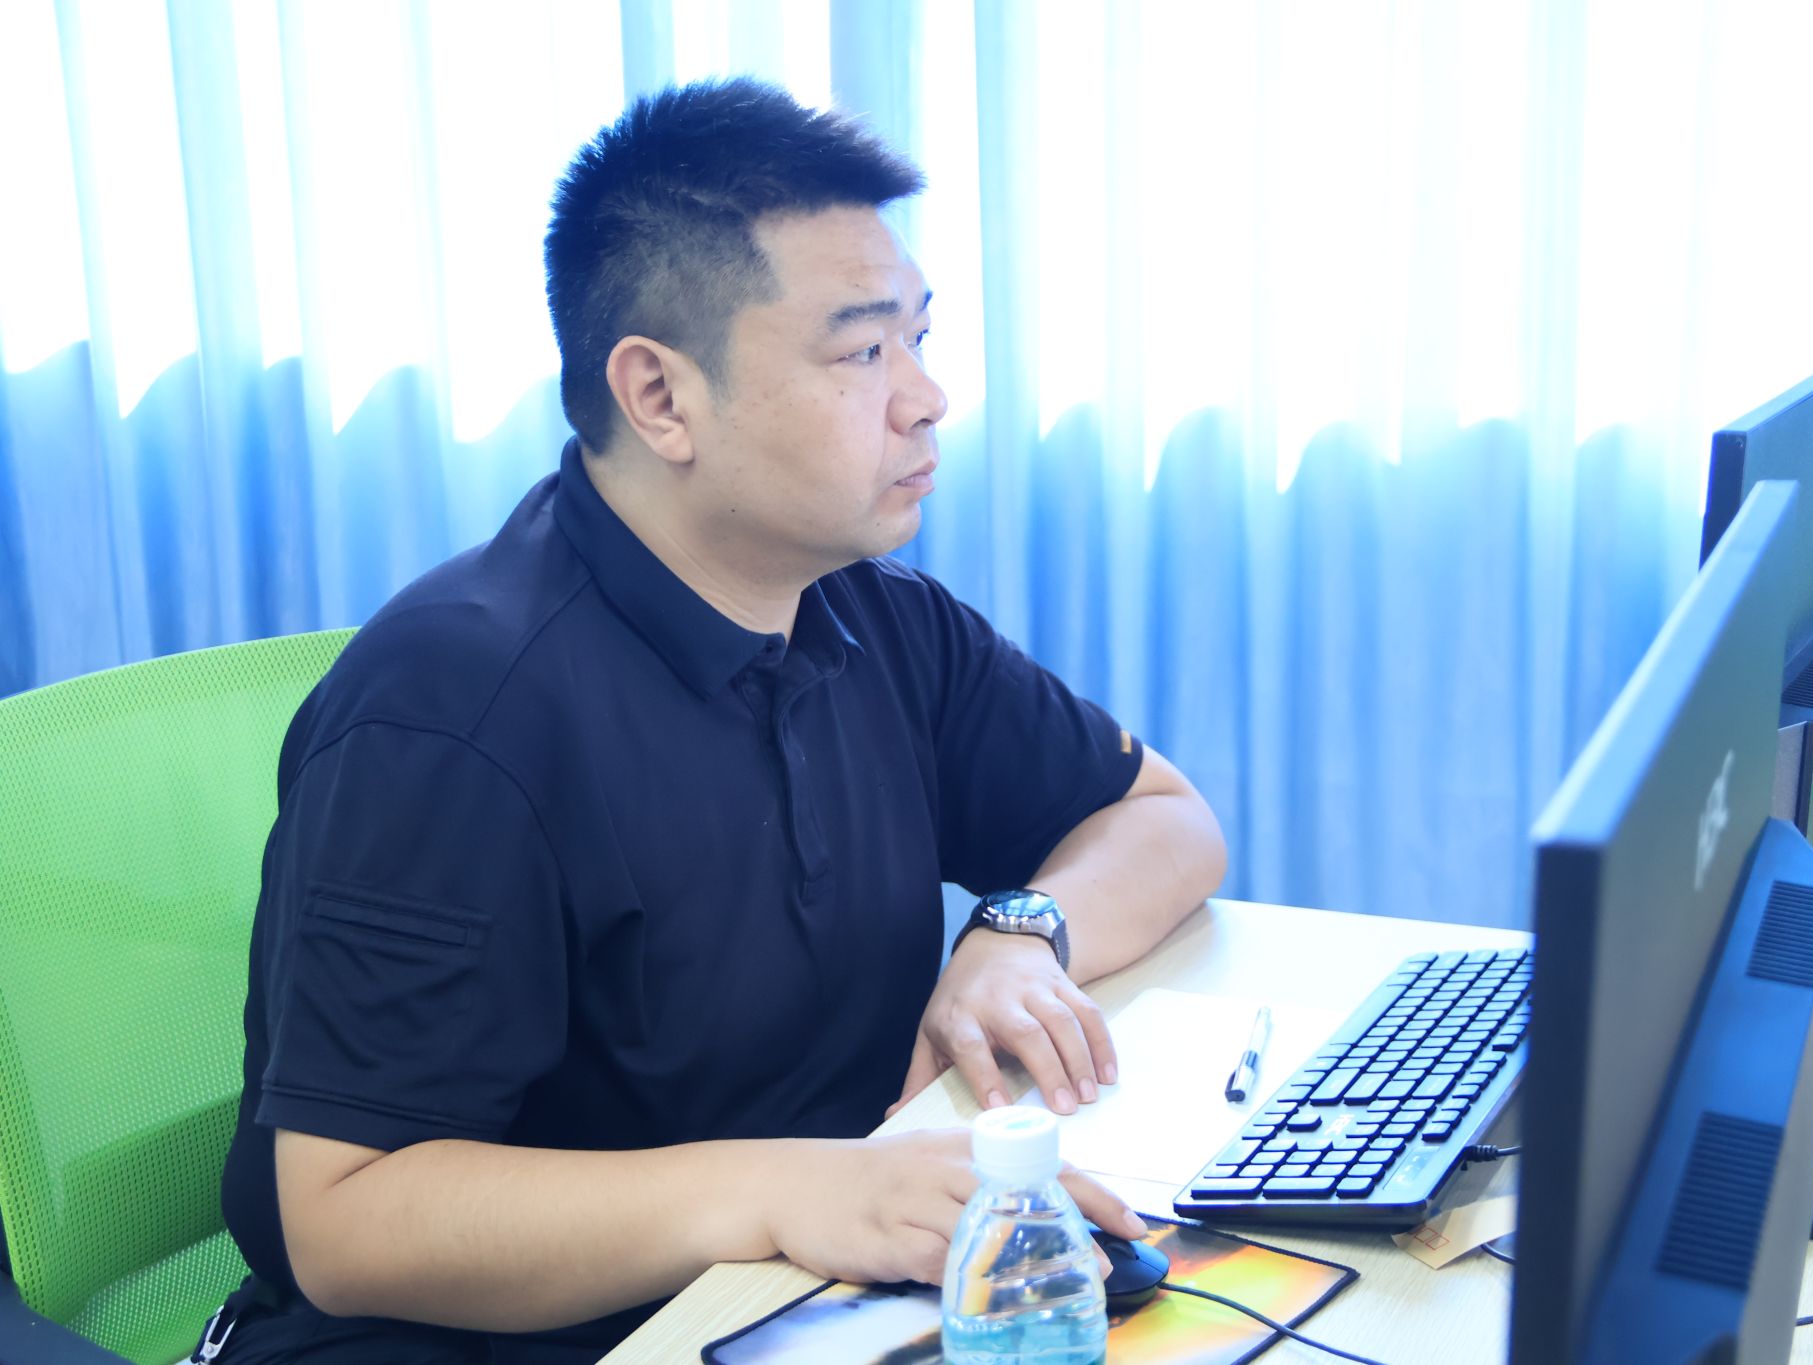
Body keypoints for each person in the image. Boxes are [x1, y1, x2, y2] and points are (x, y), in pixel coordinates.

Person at [208, 77, 1226, 1363]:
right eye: (861, 353)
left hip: (803, 1293)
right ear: (659, 397)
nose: (925, 398)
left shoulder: (868, 613)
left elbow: (1161, 818)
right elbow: (347, 1225)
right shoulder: (452, 714)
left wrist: (1022, 934)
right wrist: (790, 1189)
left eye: (918, 338)